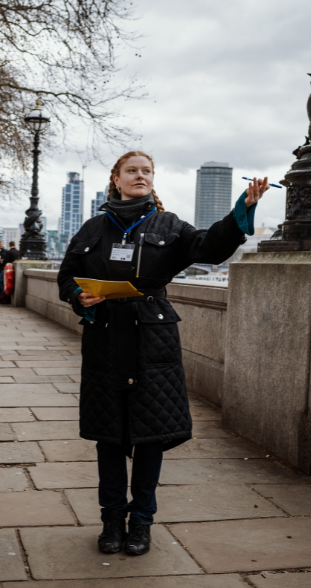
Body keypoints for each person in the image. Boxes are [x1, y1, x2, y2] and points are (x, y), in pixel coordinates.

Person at [57, 151, 269, 556]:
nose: (141, 176)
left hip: (151, 339)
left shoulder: (168, 225)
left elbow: (209, 247)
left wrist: (243, 209)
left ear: (153, 179)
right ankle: (111, 520)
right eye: (132, 171)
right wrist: (77, 295)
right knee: (109, 436)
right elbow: (67, 276)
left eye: (147, 171)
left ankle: (141, 522)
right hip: (104, 338)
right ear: (116, 179)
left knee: (149, 435)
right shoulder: (92, 228)